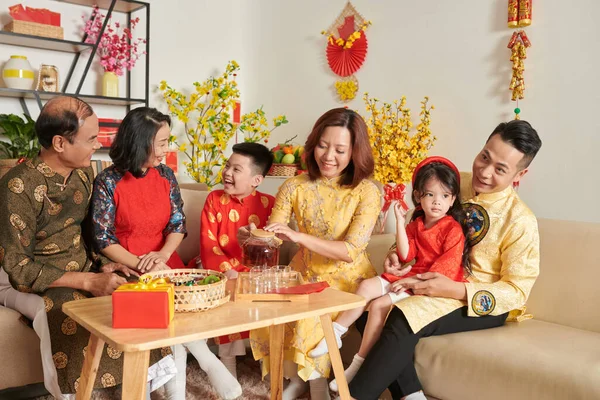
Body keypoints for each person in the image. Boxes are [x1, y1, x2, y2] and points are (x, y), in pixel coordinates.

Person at [348, 120, 542, 400]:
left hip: (476, 299)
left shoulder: (521, 220)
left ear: (519, 174)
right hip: (424, 278)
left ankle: (351, 395)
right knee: (367, 307)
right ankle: (412, 395)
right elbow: (417, 226)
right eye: (484, 157)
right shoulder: (450, 183)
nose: (485, 172)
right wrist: (395, 255)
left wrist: (454, 289)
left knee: (403, 315)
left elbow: (517, 291)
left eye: (500, 169)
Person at [90, 107, 241, 400]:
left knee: (179, 299)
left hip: (164, 259)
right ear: (139, 141)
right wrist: (141, 264)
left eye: (167, 141)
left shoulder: (166, 175)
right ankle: (208, 364)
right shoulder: (108, 181)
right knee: (162, 303)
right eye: (161, 143)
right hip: (126, 262)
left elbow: (177, 225)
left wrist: (160, 257)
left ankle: (179, 391)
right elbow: (102, 238)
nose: (166, 149)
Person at [0, 96, 146, 397]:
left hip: (77, 267)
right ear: (59, 143)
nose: (98, 146)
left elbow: (86, 233)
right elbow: (17, 266)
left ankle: (138, 388)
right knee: (67, 306)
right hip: (17, 281)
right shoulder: (17, 186)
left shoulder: (82, 175)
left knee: (135, 291)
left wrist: (102, 266)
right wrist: (89, 280)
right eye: (91, 138)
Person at [248, 108, 381, 400]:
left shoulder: (366, 191)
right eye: (322, 145)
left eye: (340, 149)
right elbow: (274, 232)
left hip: (348, 280)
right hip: (303, 273)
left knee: (311, 317)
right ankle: (297, 380)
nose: (328, 156)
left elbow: (350, 251)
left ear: (355, 152)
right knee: (261, 305)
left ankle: (315, 389)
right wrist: (255, 236)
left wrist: (298, 236)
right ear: (312, 144)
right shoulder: (293, 185)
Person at [310, 157, 472, 392]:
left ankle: (356, 365)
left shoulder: (452, 229)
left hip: (432, 286)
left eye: (445, 196)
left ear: (453, 199)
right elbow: (406, 255)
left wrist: (409, 281)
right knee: (366, 287)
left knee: (379, 305)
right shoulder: (417, 224)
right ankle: (336, 332)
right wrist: (399, 219)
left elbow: (443, 273)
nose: (437, 202)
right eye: (430, 195)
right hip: (414, 275)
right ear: (418, 196)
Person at [198, 142, 275, 377]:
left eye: (237, 169)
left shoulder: (269, 204)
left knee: (270, 292)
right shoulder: (214, 199)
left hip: (256, 273)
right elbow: (208, 244)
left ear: (256, 180)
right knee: (226, 290)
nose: (227, 173)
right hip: (219, 271)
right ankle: (227, 368)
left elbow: (271, 247)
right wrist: (230, 272)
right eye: (227, 166)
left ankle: (270, 370)